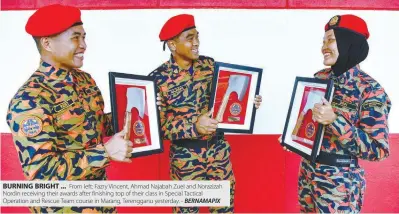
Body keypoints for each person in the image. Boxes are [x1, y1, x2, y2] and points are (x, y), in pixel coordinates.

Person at [6, 4, 133, 213]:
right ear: (47, 43)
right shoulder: (30, 100)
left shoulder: (85, 81)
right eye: (75, 37)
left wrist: (135, 115)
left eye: (84, 37)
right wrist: (105, 153)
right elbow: (42, 173)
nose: (84, 45)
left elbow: (97, 126)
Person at [148, 14, 262, 213]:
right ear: (173, 45)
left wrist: (246, 103)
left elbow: (224, 101)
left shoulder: (209, 66)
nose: (196, 43)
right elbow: (160, 127)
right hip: (185, 161)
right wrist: (194, 126)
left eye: (197, 36)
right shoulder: (158, 78)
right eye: (190, 38)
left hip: (218, 153)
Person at [284, 14, 391, 213]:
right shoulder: (319, 78)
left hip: (339, 185)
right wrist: (295, 139)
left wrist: (335, 120)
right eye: (323, 41)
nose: (323, 47)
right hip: (308, 173)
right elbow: (308, 120)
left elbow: (378, 150)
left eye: (330, 40)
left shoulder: (370, 90)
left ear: (348, 42)